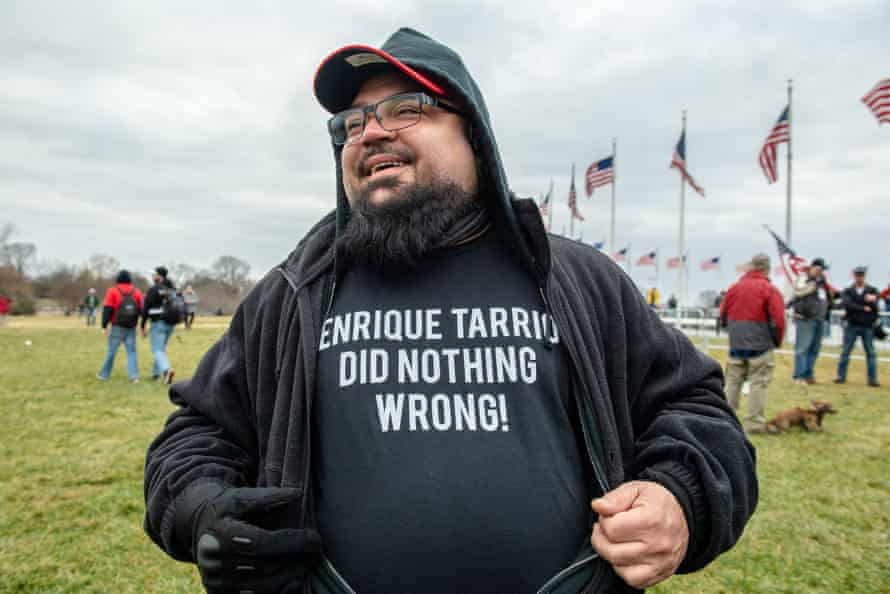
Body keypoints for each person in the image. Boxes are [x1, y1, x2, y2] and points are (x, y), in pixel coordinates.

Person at [144, 28, 757, 594]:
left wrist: (680, 498)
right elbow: (198, 434)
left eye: (405, 108)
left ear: (475, 134)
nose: (369, 133)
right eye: (350, 124)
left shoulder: (576, 279)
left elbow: (696, 407)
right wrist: (203, 511)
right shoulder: (295, 293)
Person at [719, 253, 786, 433]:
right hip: (760, 345)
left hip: (736, 342)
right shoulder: (769, 289)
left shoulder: (735, 287)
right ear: (766, 268)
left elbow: (723, 314)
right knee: (758, 383)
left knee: (732, 382)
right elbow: (779, 319)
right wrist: (777, 340)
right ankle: (754, 423)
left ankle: (724, 419)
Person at [834, 266, 880, 387]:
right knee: (846, 351)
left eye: (861, 275)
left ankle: (872, 379)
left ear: (864, 276)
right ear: (854, 276)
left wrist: (869, 303)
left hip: (867, 326)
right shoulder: (848, 290)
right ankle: (840, 376)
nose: (859, 277)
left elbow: (875, 305)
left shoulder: (872, 290)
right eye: (857, 275)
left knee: (870, 353)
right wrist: (864, 307)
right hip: (852, 325)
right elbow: (847, 304)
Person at [791, 257, 832, 385]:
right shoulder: (803, 278)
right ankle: (799, 376)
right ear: (813, 267)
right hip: (806, 318)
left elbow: (826, 297)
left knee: (814, 349)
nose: (820, 271)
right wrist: (812, 283)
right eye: (819, 269)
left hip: (819, 318)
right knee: (802, 349)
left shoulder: (822, 282)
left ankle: (809, 374)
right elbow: (798, 292)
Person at [97, 270, 143, 383]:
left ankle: (104, 375)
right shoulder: (136, 292)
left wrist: (104, 325)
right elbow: (142, 309)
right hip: (131, 327)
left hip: (117, 326)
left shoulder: (112, 291)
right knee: (131, 352)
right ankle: (134, 377)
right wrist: (141, 323)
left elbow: (107, 309)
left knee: (111, 351)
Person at [141, 266, 176, 384]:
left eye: (154, 274)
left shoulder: (154, 289)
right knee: (161, 349)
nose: (152, 276)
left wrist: (142, 325)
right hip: (171, 323)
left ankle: (167, 370)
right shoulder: (172, 289)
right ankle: (155, 374)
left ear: (159, 276)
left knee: (157, 349)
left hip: (158, 323)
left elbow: (146, 308)